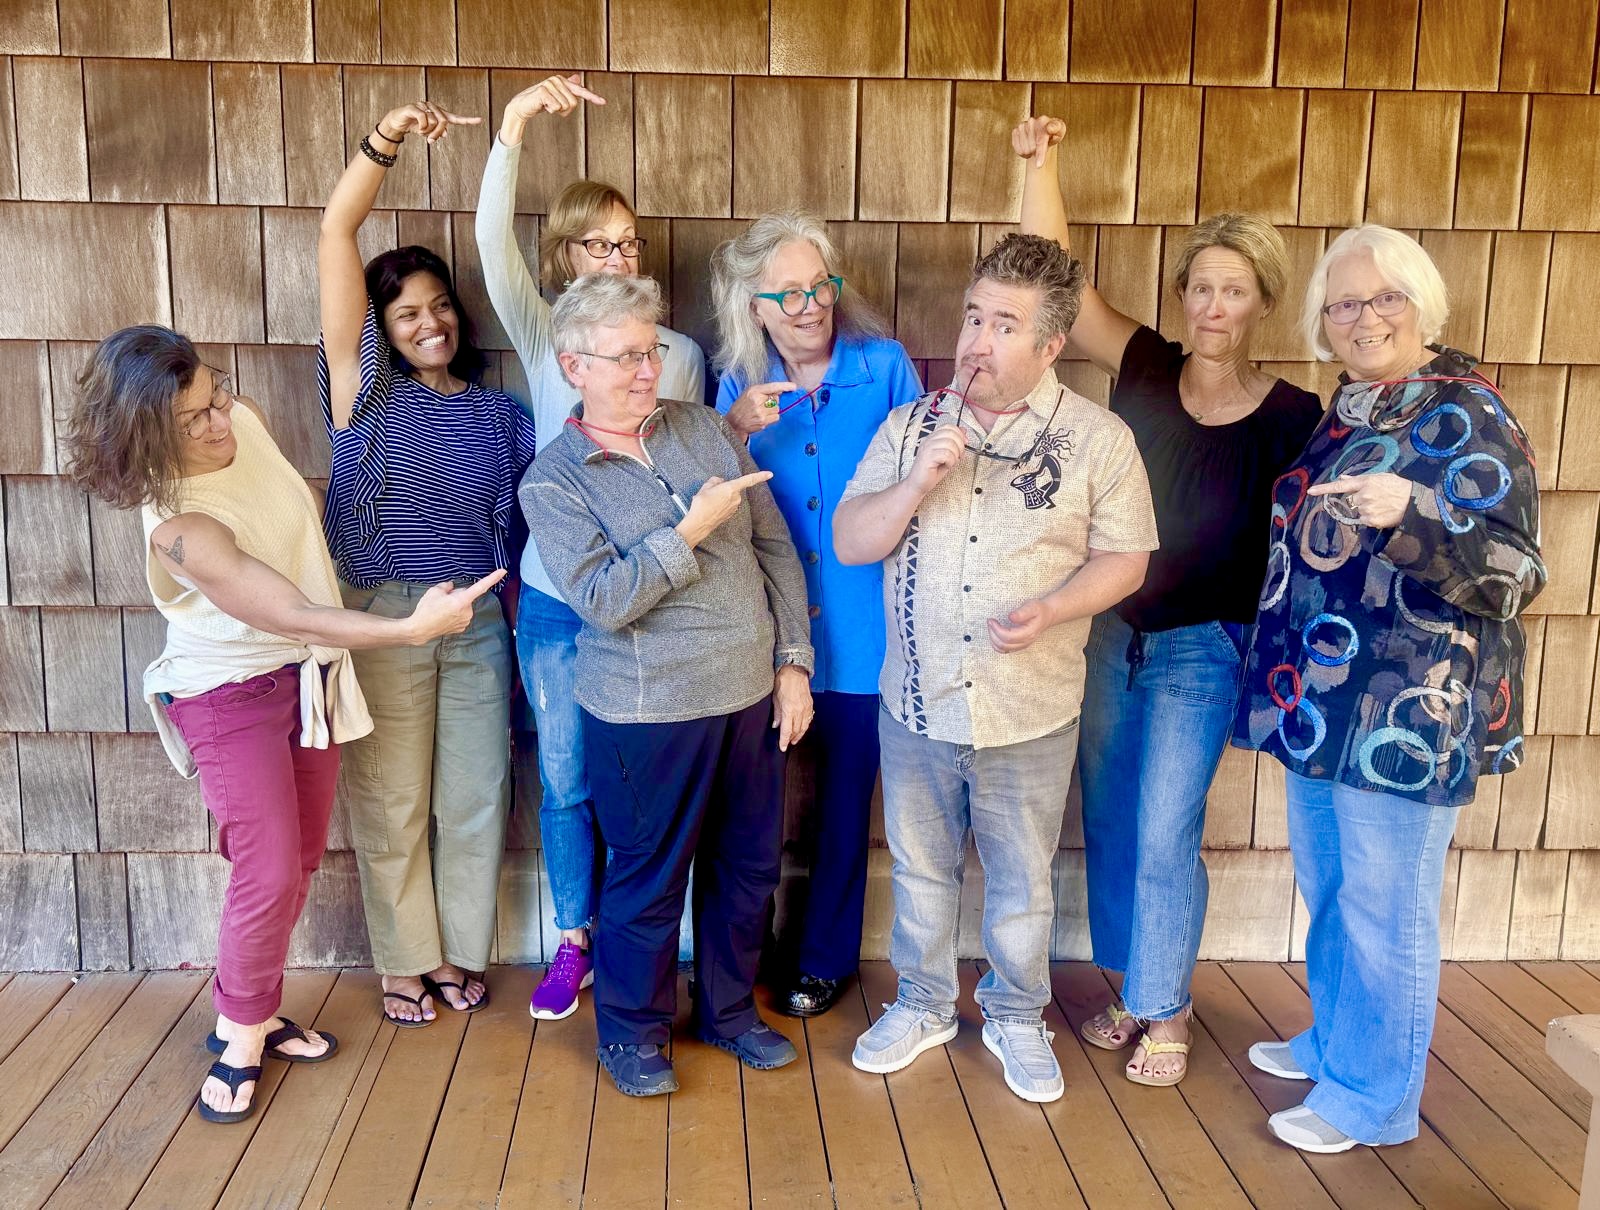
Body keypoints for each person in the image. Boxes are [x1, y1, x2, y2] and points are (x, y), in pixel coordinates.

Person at [63, 325, 502, 1123]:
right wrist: (407, 631)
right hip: (227, 695)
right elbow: (294, 609)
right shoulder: (179, 529)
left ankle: (258, 1008)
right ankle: (238, 1036)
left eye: (215, 395)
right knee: (266, 871)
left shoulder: (247, 421)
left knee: (297, 859)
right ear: (145, 435)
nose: (219, 421)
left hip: (306, 678)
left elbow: (298, 544)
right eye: (192, 419)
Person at [1011, 116, 1325, 1085]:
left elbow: (1301, 557)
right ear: (1183, 295)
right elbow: (1056, 274)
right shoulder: (1144, 363)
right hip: (1115, 634)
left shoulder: (1291, 417)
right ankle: (1130, 989)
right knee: (1106, 817)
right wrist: (1041, 161)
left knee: (1162, 829)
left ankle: (1167, 1006)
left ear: (1260, 302)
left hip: (1204, 647)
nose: (1214, 303)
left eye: (1234, 289)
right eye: (1201, 285)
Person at [1235, 225, 1544, 1152]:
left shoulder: (1470, 411)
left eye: (1384, 300)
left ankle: (1373, 1099)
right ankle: (1339, 1041)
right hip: (1324, 698)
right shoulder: (1358, 405)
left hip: (1410, 709)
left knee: (1385, 904)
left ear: (1422, 306)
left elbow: (1517, 569)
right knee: (1332, 887)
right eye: (1343, 304)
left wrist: (1414, 513)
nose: (1364, 318)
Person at [835, 234, 1159, 1104]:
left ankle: (1017, 1012)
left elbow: (1126, 558)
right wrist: (912, 486)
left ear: (1052, 346)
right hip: (914, 702)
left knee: (1020, 879)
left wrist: (1054, 609)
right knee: (920, 867)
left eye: (1004, 325)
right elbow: (850, 539)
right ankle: (926, 1002)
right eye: (974, 316)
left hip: (1030, 707)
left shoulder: (1098, 440)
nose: (977, 340)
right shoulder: (911, 425)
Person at [520, 272, 814, 1097]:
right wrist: (689, 530)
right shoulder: (553, 479)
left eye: (651, 352)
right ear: (575, 367)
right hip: (647, 711)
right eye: (624, 358)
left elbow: (775, 551)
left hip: (750, 695)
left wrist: (793, 663)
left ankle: (726, 1014)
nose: (646, 370)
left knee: (749, 868)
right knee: (649, 879)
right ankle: (632, 1035)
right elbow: (607, 602)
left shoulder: (704, 432)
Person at [475, 73, 707, 1022]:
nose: (617, 254)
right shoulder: (544, 341)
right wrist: (515, 125)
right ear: (567, 256)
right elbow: (492, 249)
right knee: (567, 778)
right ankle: (574, 943)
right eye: (598, 242)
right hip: (560, 603)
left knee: (648, 785)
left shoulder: (677, 353)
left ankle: (651, 946)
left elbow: (691, 458)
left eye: (629, 241)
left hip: (657, 598)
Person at [319, 99, 537, 1027]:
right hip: (389, 614)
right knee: (394, 798)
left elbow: (518, 532)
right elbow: (337, 231)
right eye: (405, 313)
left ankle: (454, 950)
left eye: (440, 303)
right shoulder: (361, 394)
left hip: (480, 620)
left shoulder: (504, 415)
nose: (429, 322)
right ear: (382, 327)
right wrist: (385, 143)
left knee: (476, 795)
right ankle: (404, 962)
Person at [711, 212, 922, 1017]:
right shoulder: (739, 385)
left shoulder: (884, 366)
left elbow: (918, 484)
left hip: (870, 635)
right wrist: (731, 432)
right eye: (787, 293)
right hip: (767, 636)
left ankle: (825, 959)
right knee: (751, 807)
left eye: (820, 287)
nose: (808, 306)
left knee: (843, 808)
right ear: (756, 306)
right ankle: (740, 958)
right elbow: (713, 501)